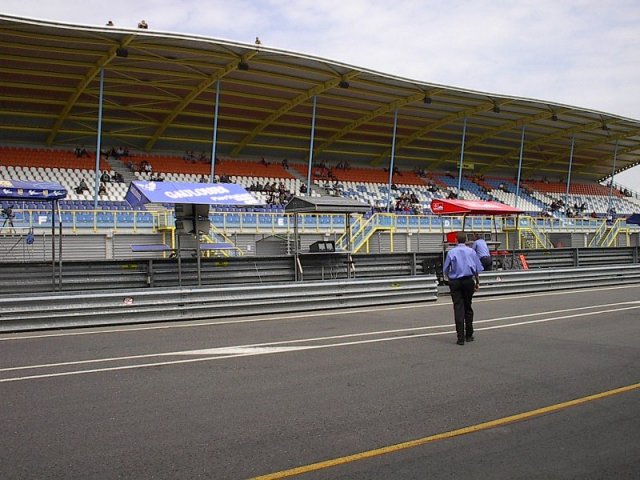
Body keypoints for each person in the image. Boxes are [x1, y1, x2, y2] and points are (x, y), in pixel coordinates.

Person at [443, 232, 483, 345]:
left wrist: (449, 279)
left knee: (458, 308)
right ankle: (469, 334)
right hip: (468, 281)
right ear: (465, 240)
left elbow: (445, 269)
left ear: (456, 240)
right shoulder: (471, 251)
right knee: (468, 306)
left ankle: (460, 337)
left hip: (455, 281)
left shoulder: (451, 252)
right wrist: (477, 282)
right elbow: (477, 269)